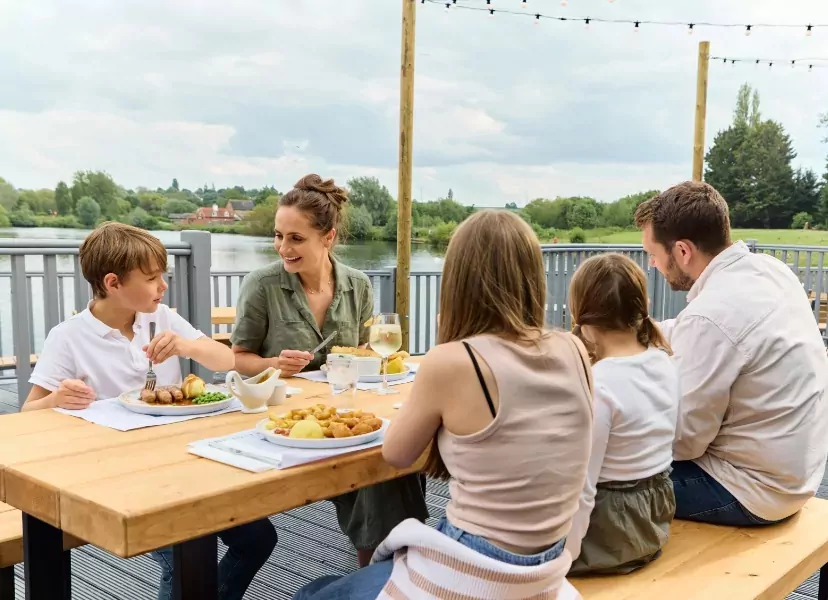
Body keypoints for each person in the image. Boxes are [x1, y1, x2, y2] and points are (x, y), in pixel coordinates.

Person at [291, 209, 594, 599]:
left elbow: (397, 454)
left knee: (312, 591)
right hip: (545, 567)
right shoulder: (575, 349)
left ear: (458, 280)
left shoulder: (455, 360)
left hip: (475, 570)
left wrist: (448, 345)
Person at [22, 223, 270, 600]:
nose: (163, 286)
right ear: (113, 283)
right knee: (180, 556)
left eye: (162, 275)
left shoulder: (162, 318)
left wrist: (187, 346)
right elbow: (29, 412)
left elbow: (226, 360)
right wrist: (56, 399)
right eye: (152, 278)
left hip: (184, 459)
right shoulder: (69, 337)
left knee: (258, 538)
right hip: (119, 472)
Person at [230, 174, 429, 567]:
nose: (283, 248)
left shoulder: (358, 285)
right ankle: (390, 568)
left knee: (389, 454)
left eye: (296, 238)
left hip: (344, 410)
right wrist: (273, 364)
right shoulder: (262, 284)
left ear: (329, 238)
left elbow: (364, 351)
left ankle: (390, 562)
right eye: (278, 236)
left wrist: (367, 355)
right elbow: (237, 358)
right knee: (378, 462)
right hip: (283, 418)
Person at [635, 181, 828, 526]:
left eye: (653, 253)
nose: (651, 264)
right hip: (799, 473)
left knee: (594, 477)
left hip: (749, 490)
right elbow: (689, 329)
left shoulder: (711, 314)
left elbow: (684, 442)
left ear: (682, 251)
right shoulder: (770, 271)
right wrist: (632, 333)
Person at [565, 253, 679, 575]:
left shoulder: (599, 384)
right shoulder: (664, 361)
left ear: (585, 322)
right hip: (654, 516)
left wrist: (564, 555)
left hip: (611, 529)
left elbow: (583, 487)